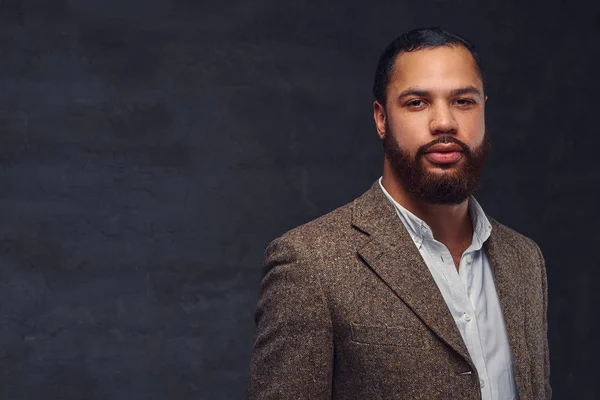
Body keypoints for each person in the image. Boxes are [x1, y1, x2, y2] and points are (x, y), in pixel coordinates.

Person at [248, 27, 551, 400]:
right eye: (417, 102)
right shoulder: (310, 264)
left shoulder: (524, 260)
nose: (444, 122)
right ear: (381, 118)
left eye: (463, 101)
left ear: (484, 109)